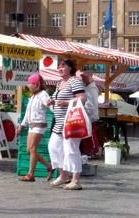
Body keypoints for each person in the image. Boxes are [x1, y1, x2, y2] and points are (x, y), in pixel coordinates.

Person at [48, 59, 87, 190]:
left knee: (71, 151)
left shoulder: (74, 81)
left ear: (70, 68)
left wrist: (67, 102)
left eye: (63, 65)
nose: (59, 68)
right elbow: (57, 99)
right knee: (54, 148)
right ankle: (63, 175)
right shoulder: (59, 83)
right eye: (58, 66)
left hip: (71, 122)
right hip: (59, 123)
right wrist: (51, 101)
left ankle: (76, 180)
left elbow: (82, 98)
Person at [16, 74, 53, 182]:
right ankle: (49, 166)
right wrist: (22, 126)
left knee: (32, 149)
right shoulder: (32, 97)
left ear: (36, 84)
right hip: (32, 126)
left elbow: (50, 106)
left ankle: (30, 174)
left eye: (30, 83)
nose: (28, 85)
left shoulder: (43, 94)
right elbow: (27, 114)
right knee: (29, 150)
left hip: (39, 125)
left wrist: (52, 104)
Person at [78, 71, 99, 157]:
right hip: (85, 113)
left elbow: (92, 104)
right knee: (85, 133)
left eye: (85, 77)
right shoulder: (86, 87)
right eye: (83, 77)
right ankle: (87, 150)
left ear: (90, 77)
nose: (83, 78)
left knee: (91, 133)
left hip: (90, 115)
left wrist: (87, 112)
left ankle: (94, 150)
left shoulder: (92, 88)